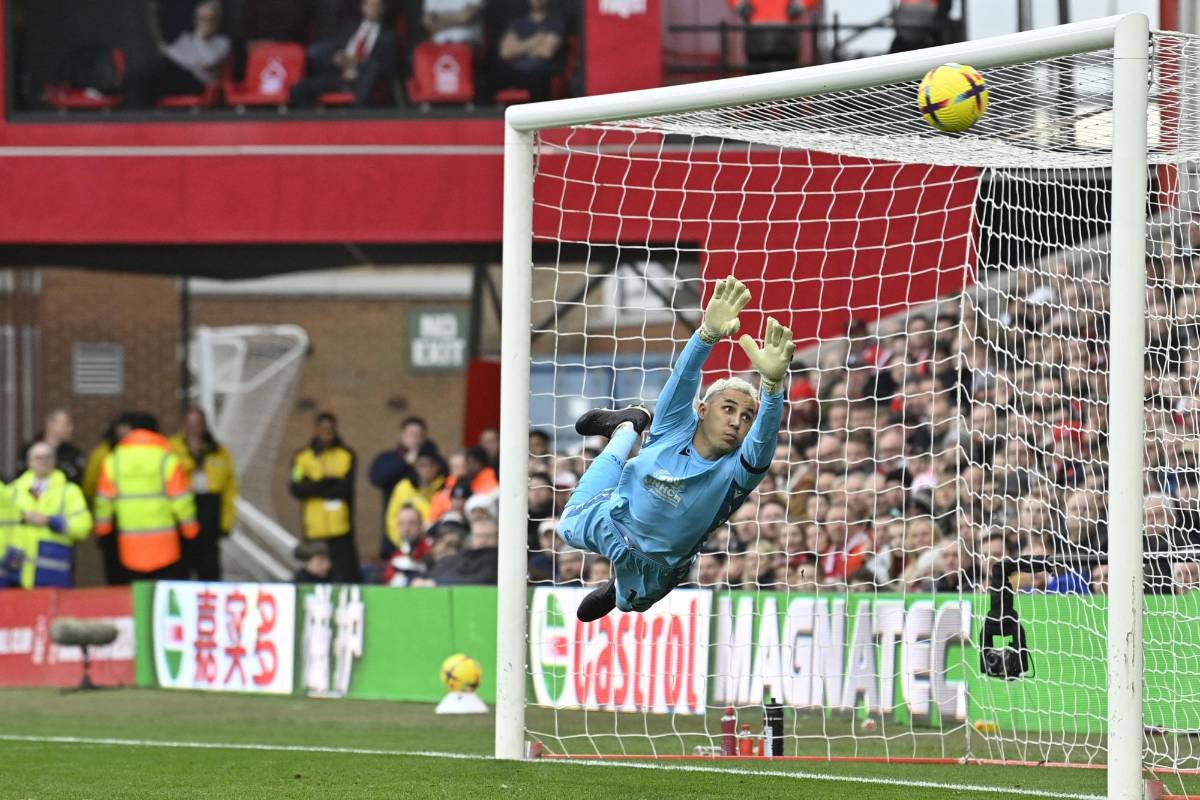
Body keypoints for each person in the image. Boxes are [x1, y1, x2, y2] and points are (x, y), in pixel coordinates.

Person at [560, 276, 795, 620]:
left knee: (631, 603)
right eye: (728, 408)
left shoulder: (738, 472)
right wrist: (707, 334)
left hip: (660, 565)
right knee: (566, 526)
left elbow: (765, 435)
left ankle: (617, 588)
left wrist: (773, 387)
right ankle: (626, 429)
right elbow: (685, 375)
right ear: (703, 410)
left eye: (746, 416)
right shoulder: (673, 425)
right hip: (612, 521)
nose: (736, 421)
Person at [93, 413, 199, 582]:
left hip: (129, 547)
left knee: (136, 599)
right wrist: (191, 531)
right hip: (165, 548)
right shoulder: (167, 459)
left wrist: (103, 531)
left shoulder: (114, 460)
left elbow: (103, 502)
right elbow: (181, 500)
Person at [289, 411, 360, 583]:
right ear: (315, 430)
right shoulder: (302, 458)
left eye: (330, 429)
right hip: (314, 528)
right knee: (314, 572)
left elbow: (344, 489)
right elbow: (297, 488)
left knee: (345, 572)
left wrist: (314, 486)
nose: (327, 433)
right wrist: (325, 482)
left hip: (340, 528)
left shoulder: (346, 455)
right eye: (323, 429)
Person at [169, 407, 238, 581]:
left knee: (209, 563)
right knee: (181, 562)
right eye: (190, 423)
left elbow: (230, 489)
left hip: (209, 508)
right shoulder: (173, 448)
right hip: (183, 506)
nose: (194, 427)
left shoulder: (218, 451)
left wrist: (226, 521)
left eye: (198, 423)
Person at [12, 442, 92, 589]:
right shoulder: (13, 490)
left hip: (54, 572)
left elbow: (83, 526)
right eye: (38, 457)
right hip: (17, 573)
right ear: (29, 461)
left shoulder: (69, 491)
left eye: (47, 457)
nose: (43, 461)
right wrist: (21, 517)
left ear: (54, 461)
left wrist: (51, 521)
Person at [288, 0, 398, 108]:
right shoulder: (349, 28)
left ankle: (354, 118)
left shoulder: (388, 35)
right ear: (362, 7)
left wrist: (358, 61)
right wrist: (337, 57)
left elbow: (387, 66)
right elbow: (334, 49)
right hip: (339, 76)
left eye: (376, 6)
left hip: (364, 79)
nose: (372, 9)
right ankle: (316, 119)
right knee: (299, 89)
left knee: (371, 69)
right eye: (369, 5)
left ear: (382, 9)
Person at [126, 0, 232, 108]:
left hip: (198, 82)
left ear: (217, 21)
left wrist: (199, 38)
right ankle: (134, 116)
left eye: (210, 19)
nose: (205, 23)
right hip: (176, 74)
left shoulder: (222, 42)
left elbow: (208, 61)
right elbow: (171, 55)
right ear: (196, 20)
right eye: (202, 19)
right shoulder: (186, 38)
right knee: (139, 77)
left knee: (155, 74)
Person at [370, 416, 440, 538]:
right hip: (395, 521)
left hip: (427, 522)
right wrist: (404, 462)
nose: (415, 439)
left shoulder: (432, 458)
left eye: (419, 435)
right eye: (411, 434)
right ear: (402, 435)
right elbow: (377, 478)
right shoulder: (388, 458)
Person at [493, 0, 565, 103]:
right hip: (518, 73)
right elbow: (505, 52)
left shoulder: (555, 22)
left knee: (537, 78)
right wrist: (535, 41)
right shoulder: (518, 23)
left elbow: (546, 52)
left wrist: (518, 49)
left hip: (542, 73)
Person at [14, 409, 85, 486]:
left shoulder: (73, 453)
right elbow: (19, 476)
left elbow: (78, 481)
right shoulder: (30, 448)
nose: (71, 428)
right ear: (50, 425)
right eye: (66, 424)